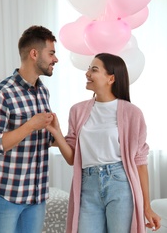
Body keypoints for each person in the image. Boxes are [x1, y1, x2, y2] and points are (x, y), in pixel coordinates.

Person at [46, 53, 161, 233]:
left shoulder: (132, 113)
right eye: (88, 68)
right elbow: (72, 158)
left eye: (94, 69)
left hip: (120, 184)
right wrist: (56, 132)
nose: (87, 73)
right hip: (87, 184)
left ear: (111, 78)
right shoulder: (77, 111)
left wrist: (147, 206)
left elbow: (140, 162)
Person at [0, 25, 58, 233]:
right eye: (51, 53)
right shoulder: (0, 93)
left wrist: (56, 134)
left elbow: (40, 141)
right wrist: (30, 125)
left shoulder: (43, 92)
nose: (55, 59)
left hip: (36, 196)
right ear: (34, 54)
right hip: (7, 194)